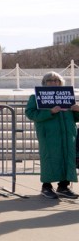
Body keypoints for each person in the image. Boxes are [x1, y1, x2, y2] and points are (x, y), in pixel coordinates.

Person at [25, 71, 79, 200]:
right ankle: (46, 186)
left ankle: (63, 187)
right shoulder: (36, 97)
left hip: (67, 134)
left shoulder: (67, 96)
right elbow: (30, 113)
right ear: (45, 83)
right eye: (50, 81)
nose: (54, 83)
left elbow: (74, 118)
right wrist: (50, 112)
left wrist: (77, 110)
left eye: (57, 81)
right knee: (49, 159)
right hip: (49, 135)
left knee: (67, 158)